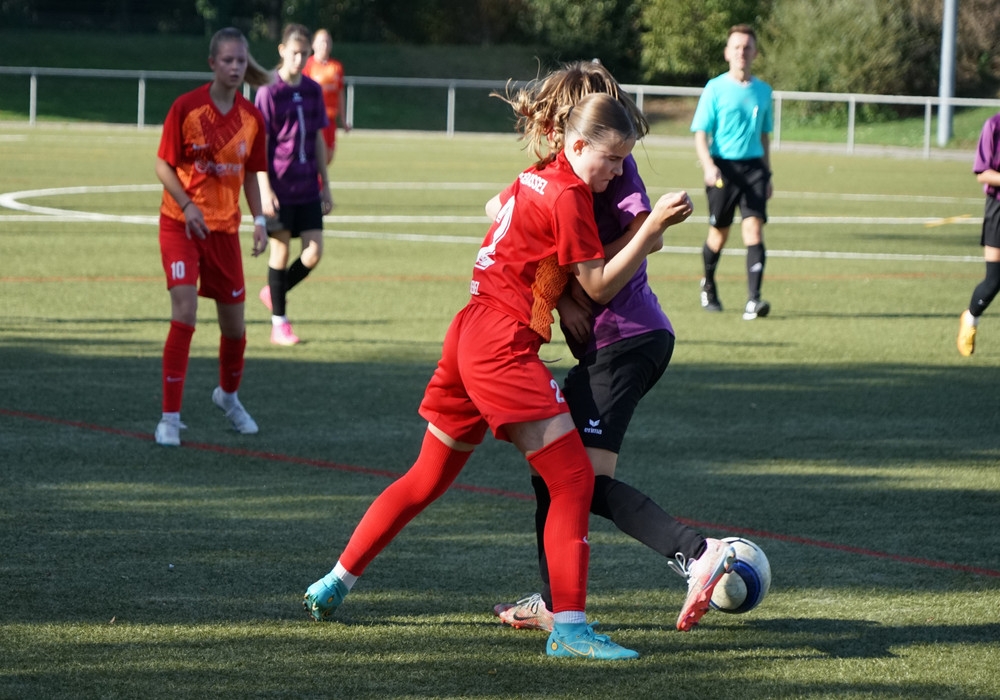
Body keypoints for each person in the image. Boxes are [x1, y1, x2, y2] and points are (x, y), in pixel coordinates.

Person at [303, 93, 694, 660]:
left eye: (622, 160)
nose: (617, 170)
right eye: (610, 158)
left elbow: (510, 222)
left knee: (427, 476)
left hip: (468, 330)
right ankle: (570, 630)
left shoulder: (534, 177)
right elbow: (599, 283)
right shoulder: (570, 194)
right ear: (576, 144)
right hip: (501, 344)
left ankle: (336, 580)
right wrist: (652, 224)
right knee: (572, 479)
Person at [488, 61, 735, 635]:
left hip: (626, 337)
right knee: (555, 478)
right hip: (613, 342)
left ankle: (698, 553)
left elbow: (637, 244)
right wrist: (565, 297)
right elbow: (499, 211)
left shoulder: (613, 169)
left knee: (581, 481)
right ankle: (554, 602)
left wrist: (595, 279)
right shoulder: (560, 171)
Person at [153, 27, 271, 447]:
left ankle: (228, 397)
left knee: (235, 330)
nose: (235, 67)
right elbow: (163, 165)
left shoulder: (251, 118)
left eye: (240, 60)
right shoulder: (187, 107)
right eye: (227, 60)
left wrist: (260, 220)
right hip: (181, 225)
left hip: (224, 231)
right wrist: (187, 206)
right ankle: (169, 418)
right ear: (212, 64)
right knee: (185, 313)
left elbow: (253, 173)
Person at [254, 24, 334, 346]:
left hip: (307, 186)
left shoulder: (313, 90)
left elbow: (317, 138)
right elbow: (260, 144)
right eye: (294, 52)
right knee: (281, 250)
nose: (300, 59)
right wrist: (265, 188)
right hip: (280, 186)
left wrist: (325, 184)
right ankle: (279, 324)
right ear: (282, 51)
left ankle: (274, 292)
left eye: (304, 53)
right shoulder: (269, 91)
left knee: (313, 252)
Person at [691, 24, 774, 320]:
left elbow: (764, 135)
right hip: (723, 168)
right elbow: (701, 133)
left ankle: (754, 300)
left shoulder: (764, 91)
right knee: (719, 234)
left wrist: (768, 173)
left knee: (753, 229)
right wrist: (709, 166)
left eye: (747, 47)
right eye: (736, 47)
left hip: (754, 168)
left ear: (755, 53)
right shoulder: (715, 88)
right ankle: (708, 284)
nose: (742, 52)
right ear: (727, 53)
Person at [958, 111, 1000, 356]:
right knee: (994, 280)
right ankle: (971, 318)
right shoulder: (994, 125)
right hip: (998, 209)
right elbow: (983, 173)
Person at [303, 28, 350, 166]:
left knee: (329, 156)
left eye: (328, 41)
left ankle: (318, 178)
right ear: (313, 45)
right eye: (321, 41)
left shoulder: (336, 67)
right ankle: (317, 179)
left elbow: (340, 94)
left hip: (330, 119)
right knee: (319, 156)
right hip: (315, 119)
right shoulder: (308, 65)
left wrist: (343, 118)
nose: (325, 45)